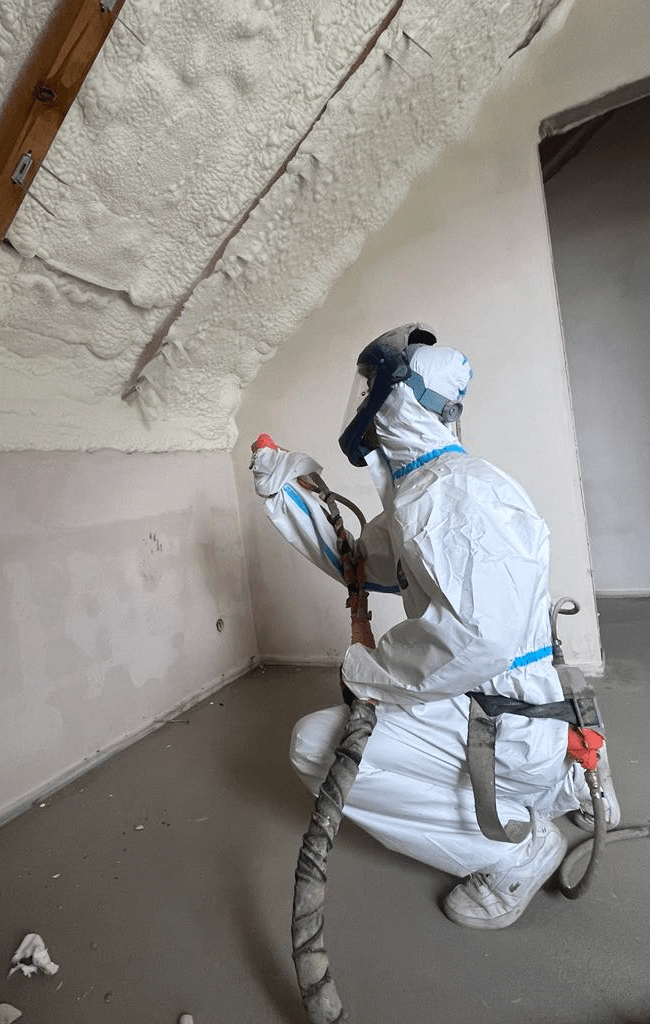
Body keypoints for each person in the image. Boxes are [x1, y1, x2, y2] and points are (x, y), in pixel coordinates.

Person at [250, 324, 618, 929]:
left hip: (505, 722)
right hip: (514, 708)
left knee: (313, 745)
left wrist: (367, 672)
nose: (363, 405)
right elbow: (362, 564)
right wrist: (285, 494)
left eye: (371, 389)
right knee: (376, 715)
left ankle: (516, 854)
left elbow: (480, 639)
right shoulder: (436, 487)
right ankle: (569, 783)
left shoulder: (448, 500)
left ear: (397, 399)